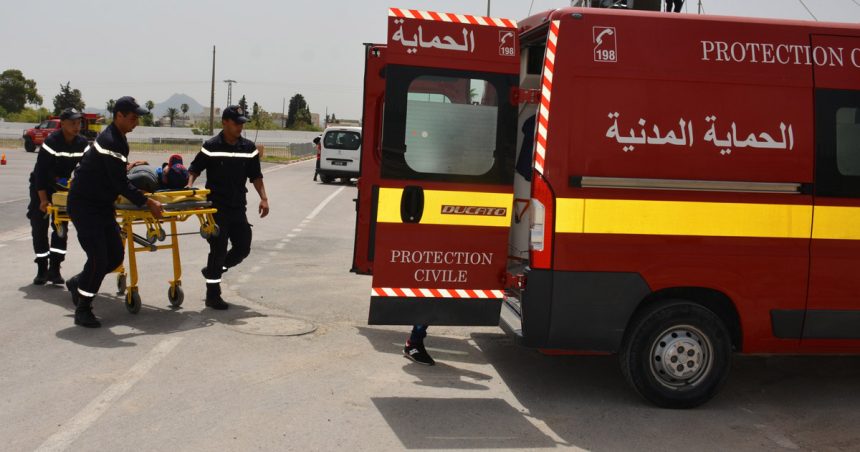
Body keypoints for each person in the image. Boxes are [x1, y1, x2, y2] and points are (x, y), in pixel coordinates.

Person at [65, 97, 163, 328]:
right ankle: (83, 308)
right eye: (133, 117)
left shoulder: (117, 139)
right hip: (85, 206)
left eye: (138, 117)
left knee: (115, 257)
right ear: (119, 115)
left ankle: (78, 282)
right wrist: (148, 202)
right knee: (99, 258)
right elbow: (120, 183)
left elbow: (115, 175)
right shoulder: (111, 140)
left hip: (101, 206)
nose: (136, 122)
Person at [188, 105, 269, 310]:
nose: (240, 126)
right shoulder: (211, 146)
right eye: (236, 122)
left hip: (237, 206)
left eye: (242, 123)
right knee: (218, 248)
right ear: (225, 122)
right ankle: (213, 295)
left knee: (243, 247)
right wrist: (189, 186)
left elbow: (256, 176)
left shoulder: (249, 148)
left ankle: (214, 270)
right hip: (215, 207)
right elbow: (195, 168)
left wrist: (264, 198)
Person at [27, 108, 87, 285]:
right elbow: (40, 172)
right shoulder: (52, 141)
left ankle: (55, 269)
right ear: (63, 124)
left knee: (61, 227)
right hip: (42, 187)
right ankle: (41, 269)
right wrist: (43, 199)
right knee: (39, 225)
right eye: (72, 123)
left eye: (79, 123)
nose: (77, 127)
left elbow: (88, 167)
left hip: (62, 189)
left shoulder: (83, 143)